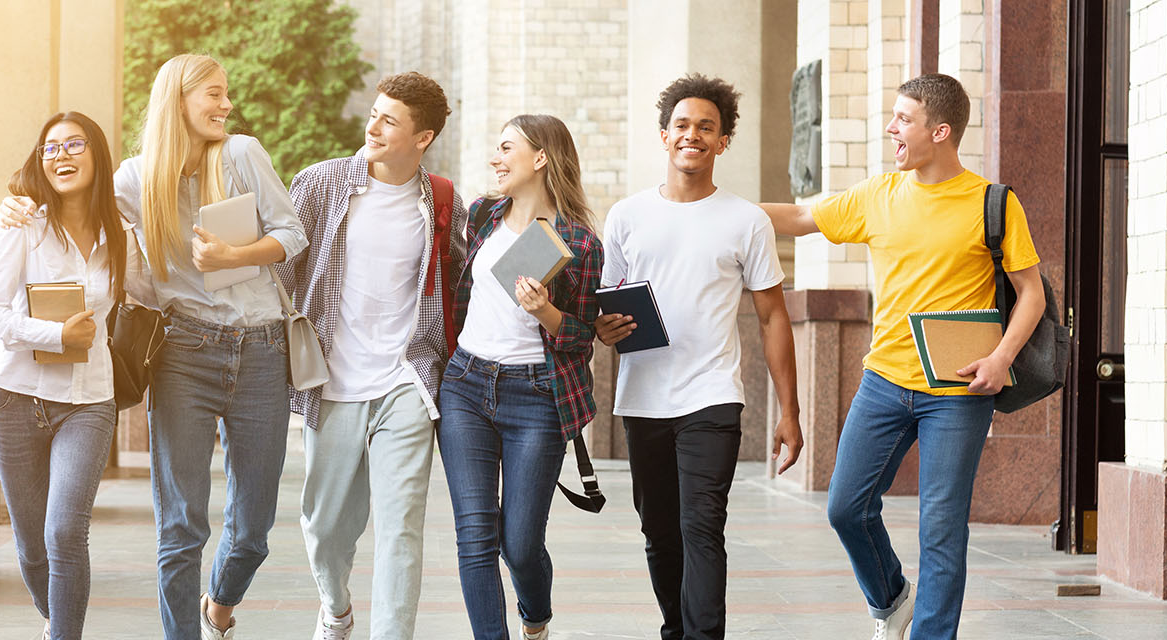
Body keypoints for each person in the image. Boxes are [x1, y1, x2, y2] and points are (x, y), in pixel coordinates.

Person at [0, 54, 309, 640]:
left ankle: (220, 602)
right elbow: (74, 209)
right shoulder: (134, 180)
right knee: (181, 526)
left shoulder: (242, 154)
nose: (226, 105)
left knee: (253, 529)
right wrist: (17, 203)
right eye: (214, 93)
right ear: (179, 100)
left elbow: (293, 233)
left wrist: (234, 257)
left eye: (225, 94)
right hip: (184, 353)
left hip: (263, 349)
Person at [758, 72, 1045, 640]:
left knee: (940, 529)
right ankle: (891, 600)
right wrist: (712, 209)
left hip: (960, 391)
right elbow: (800, 218)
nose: (891, 128)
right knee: (845, 506)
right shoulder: (877, 195)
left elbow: (1030, 293)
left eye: (903, 119)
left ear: (940, 131)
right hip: (884, 381)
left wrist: (1001, 359)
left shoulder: (993, 203)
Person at [593, 74, 803, 640]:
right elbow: (605, 308)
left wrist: (790, 411)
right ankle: (674, 629)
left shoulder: (746, 221)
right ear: (664, 136)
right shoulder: (626, 216)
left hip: (712, 396)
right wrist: (606, 328)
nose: (693, 135)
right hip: (643, 396)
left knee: (702, 526)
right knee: (659, 531)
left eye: (706, 127)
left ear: (722, 141)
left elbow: (772, 317)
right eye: (682, 125)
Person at [279, 71, 465, 640]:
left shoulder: (441, 201)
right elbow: (281, 271)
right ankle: (336, 607)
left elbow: (462, 276)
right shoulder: (320, 183)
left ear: (422, 137)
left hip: (406, 380)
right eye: (375, 113)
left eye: (390, 120)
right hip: (331, 381)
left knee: (401, 528)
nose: (374, 125)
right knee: (327, 525)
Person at [0, 111, 153, 640]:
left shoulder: (119, 233)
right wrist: (55, 337)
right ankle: (55, 616)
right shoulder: (20, 227)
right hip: (15, 399)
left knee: (65, 532)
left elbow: (152, 292)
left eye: (74, 145)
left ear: (97, 156)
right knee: (32, 544)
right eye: (50, 149)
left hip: (89, 402)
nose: (62, 156)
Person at [438, 114, 603, 640]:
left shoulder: (578, 240)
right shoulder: (483, 215)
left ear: (541, 158)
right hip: (465, 384)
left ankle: (536, 618)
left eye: (506, 147)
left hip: (536, 396)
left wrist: (546, 313)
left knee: (521, 544)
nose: (495, 158)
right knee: (475, 536)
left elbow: (583, 338)